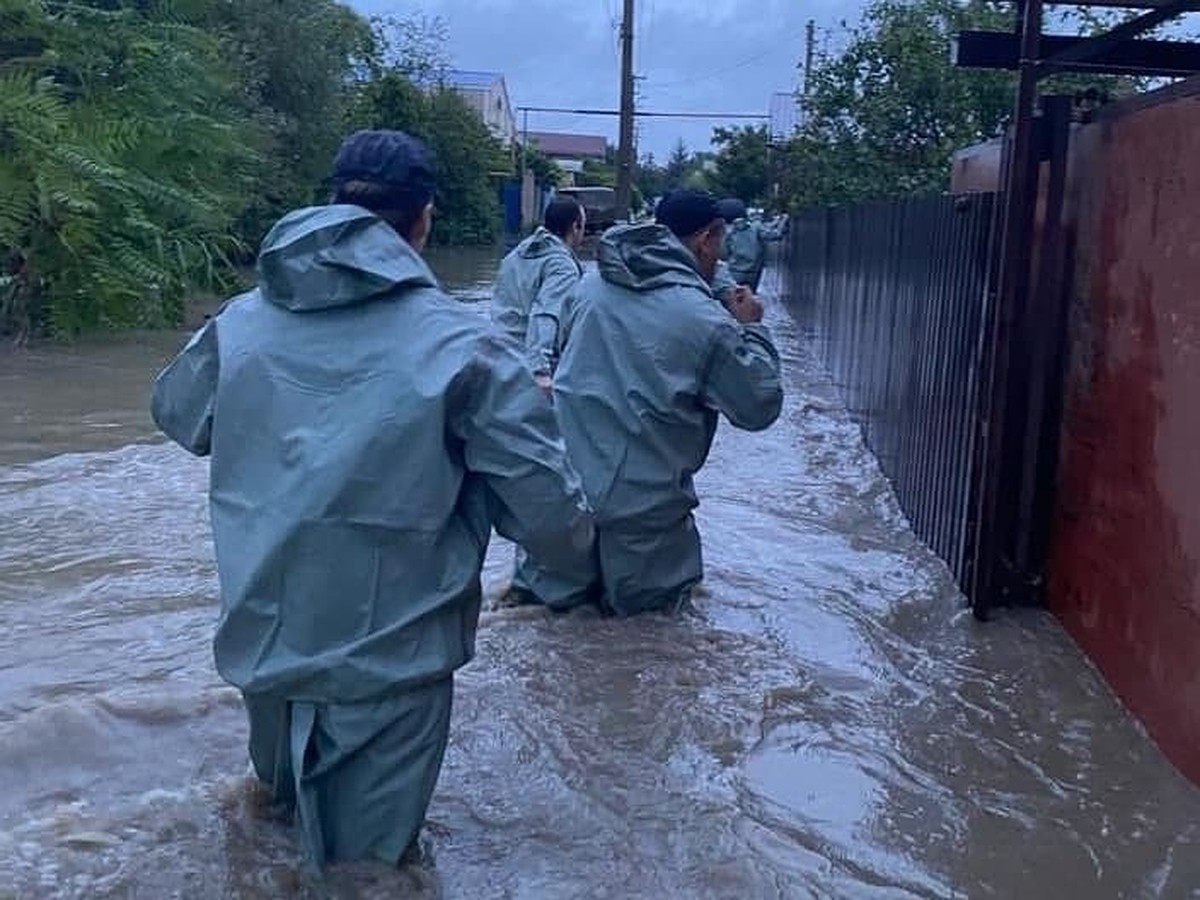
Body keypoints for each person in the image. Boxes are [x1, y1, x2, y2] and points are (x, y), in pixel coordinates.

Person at [149, 129, 595, 868]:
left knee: (276, 837)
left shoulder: (241, 322)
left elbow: (177, 416)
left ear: (332, 205)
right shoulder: (467, 347)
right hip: (388, 672)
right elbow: (555, 523)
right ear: (423, 221)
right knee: (366, 873)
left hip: (264, 647)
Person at [522, 188, 784, 616]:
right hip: (644, 531)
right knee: (650, 649)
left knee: (552, 633)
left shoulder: (588, 289)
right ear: (708, 239)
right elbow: (759, 406)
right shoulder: (706, 322)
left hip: (561, 508)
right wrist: (753, 328)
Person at [491, 195, 587, 383]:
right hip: (529, 366)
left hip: (498, 356)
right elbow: (545, 313)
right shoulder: (562, 267)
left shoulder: (515, 255)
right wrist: (540, 371)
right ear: (575, 227)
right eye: (584, 226)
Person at [716, 198, 789, 293]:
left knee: (735, 298)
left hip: (734, 271)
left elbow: (724, 254)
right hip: (754, 272)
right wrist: (783, 220)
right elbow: (776, 234)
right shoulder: (756, 227)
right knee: (750, 296)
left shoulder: (728, 232)